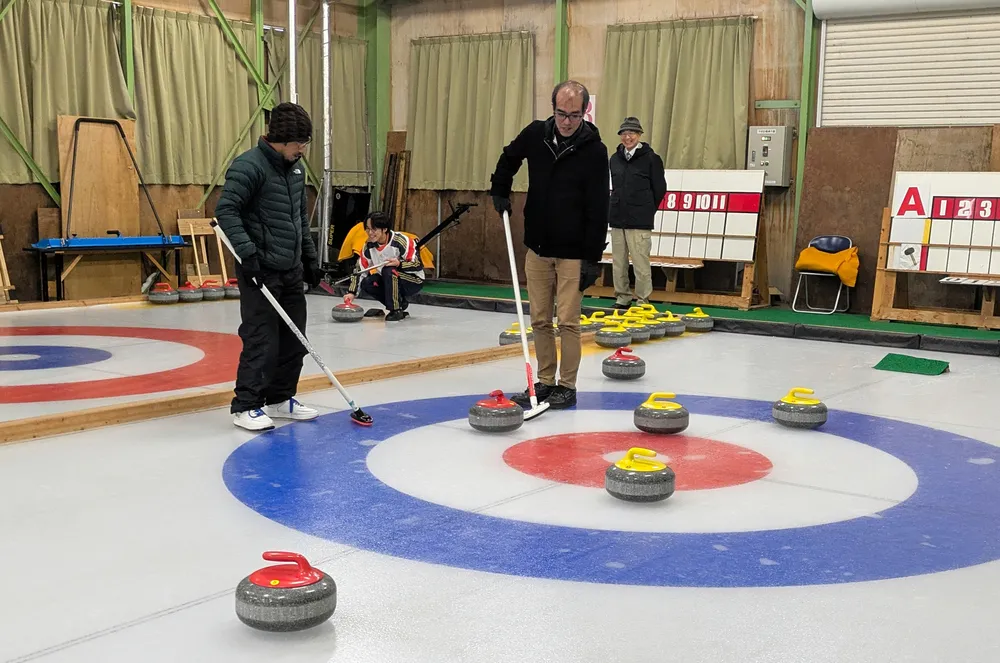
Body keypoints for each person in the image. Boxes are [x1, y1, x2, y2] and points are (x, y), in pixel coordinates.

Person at [489, 80, 609, 410]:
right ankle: (545, 381)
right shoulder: (536, 134)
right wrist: (499, 189)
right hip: (539, 246)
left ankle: (567, 385)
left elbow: (599, 206)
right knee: (540, 319)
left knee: (568, 321)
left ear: (585, 112)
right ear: (553, 109)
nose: (567, 122)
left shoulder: (595, 151)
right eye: (561, 114)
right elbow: (509, 158)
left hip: (574, 252)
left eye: (574, 115)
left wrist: (592, 258)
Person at [215, 102, 324, 431]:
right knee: (262, 338)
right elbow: (226, 211)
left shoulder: (295, 170)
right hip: (260, 271)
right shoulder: (248, 166)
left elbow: (299, 218)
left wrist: (309, 258)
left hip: (290, 269)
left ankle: (279, 399)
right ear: (282, 140)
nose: (303, 150)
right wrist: (247, 254)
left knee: (294, 338)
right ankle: (246, 405)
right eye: (299, 143)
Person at [608, 116, 667, 307]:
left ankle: (643, 300)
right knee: (618, 262)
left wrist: (646, 209)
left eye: (632, 133)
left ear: (639, 135)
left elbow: (660, 189)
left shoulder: (652, 159)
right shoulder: (614, 159)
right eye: (624, 133)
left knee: (641, 263)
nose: (628, 137)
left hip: (640, 220)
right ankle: (622, 297)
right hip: (617, 218)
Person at [343, 211, 425, 321]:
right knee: (368, 282)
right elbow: (360, 270)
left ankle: (395, 310)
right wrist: (351, 292)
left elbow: (418, 264)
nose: (370, 233)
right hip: (388, 278)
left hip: (413, 280)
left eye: (374, 229)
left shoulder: (400, 241)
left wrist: (399, 264)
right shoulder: (369, 246)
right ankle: (400, 302)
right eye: (367, 229)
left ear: (385, 229)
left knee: (389, 270)